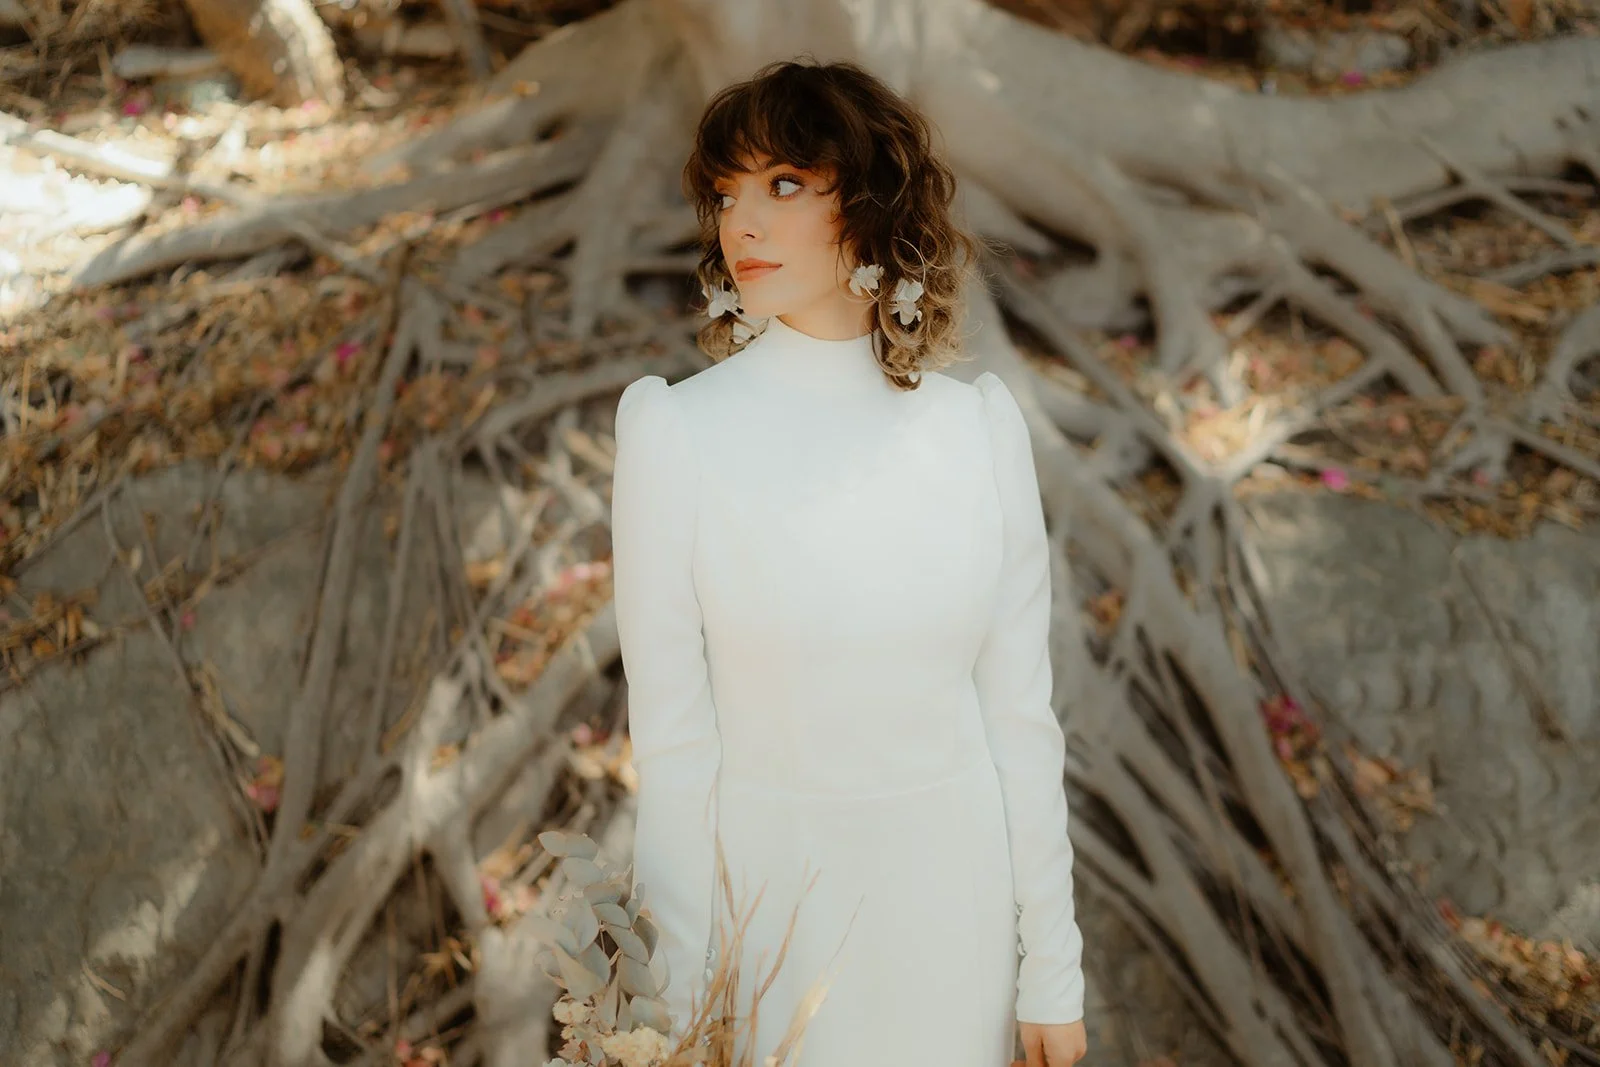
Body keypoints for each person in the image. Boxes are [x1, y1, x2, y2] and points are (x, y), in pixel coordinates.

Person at [609, 57, 1088, 1067]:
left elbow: (1018, 720)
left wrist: (1051, 963)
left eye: (784, 184)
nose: (743, 223)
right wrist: (680, 1005)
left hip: (954, 921)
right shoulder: (674, 431)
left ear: (870, 204)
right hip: (773, 922)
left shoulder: (977, 429)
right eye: (726, 193)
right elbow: (675, 748)